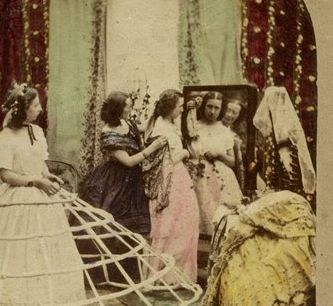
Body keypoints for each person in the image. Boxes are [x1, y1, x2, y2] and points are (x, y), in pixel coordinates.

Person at [0, 85, 86, 306]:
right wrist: (35, 181)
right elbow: (7, 175)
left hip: (41, 195)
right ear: (23, 110)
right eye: (35, 106)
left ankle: (50, 302)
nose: (40, 109)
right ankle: (16, 305)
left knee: (47, 247)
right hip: (19, 195)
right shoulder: (5, 138)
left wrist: (46, 175)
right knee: (18, 249)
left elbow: (40, 162)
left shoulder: (37, 132)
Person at [79, 91, 167, 237]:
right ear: (117, 109)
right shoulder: (108, 132)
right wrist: (154, 147)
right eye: (127, 106)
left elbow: (145, 128)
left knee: (134, 228)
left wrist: (158, 111)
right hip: (115, 180)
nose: (130, 109)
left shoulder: (125, 122)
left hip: (133, 177)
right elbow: (129, 161)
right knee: (114, 222)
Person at [141, 89, 199, 285]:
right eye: (179, 106)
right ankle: (165, 276)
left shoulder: (170, 124)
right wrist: (184, 153)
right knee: (170, 224)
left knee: (186, 222)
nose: (182, 110)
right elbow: (167, 160)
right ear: (170, 108)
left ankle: (177, 274)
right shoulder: (160, 130)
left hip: (179, 178)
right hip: (169, 180)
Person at [185, 91, 244, 235]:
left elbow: (232, 161)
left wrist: (219, 154)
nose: (212, 111)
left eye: (216, 108)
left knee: (219, 216)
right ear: (204, 106)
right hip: (197, 176)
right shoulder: (195, 127)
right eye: (209, 106)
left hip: (220, 179)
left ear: (221, 109)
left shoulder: (224, 131)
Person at [252, 86, 316, 198]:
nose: (275, 106)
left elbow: (293, 157)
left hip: (285, 176)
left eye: (278, 100)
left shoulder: (290, 128)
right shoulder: (263, 124)